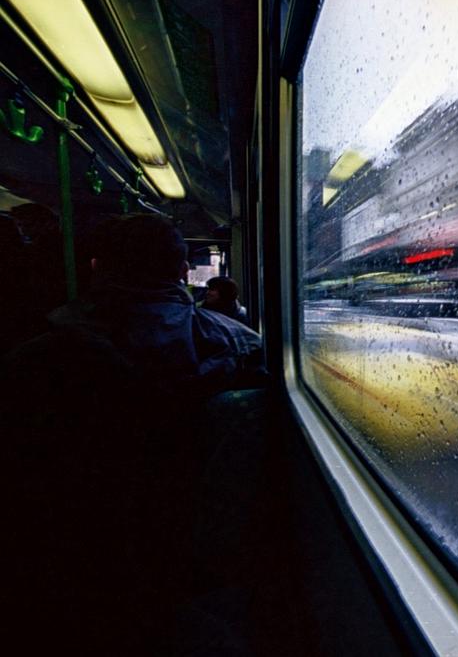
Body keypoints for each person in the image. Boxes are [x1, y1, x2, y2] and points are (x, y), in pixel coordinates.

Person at [0, 214, 266, 653]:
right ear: (182, 272)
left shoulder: (34, 361)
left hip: (60, 569)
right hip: (186, 568)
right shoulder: (240, 348)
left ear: (95, 267)